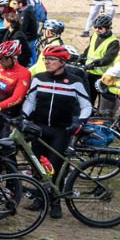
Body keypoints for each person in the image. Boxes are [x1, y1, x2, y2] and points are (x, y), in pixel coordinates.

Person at [21, 46, 93, 215]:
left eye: (51, 59)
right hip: (39, 128)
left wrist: (80, 122)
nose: (47, 62)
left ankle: (55, 202)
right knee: (38, 165)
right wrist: (24, 116)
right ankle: (40, 199)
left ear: (62, 62)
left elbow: (86, 105)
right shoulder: (39, 78)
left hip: (61, 130)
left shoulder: (75, 81)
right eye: (45, 59)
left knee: (56, 167)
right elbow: (30, 101)